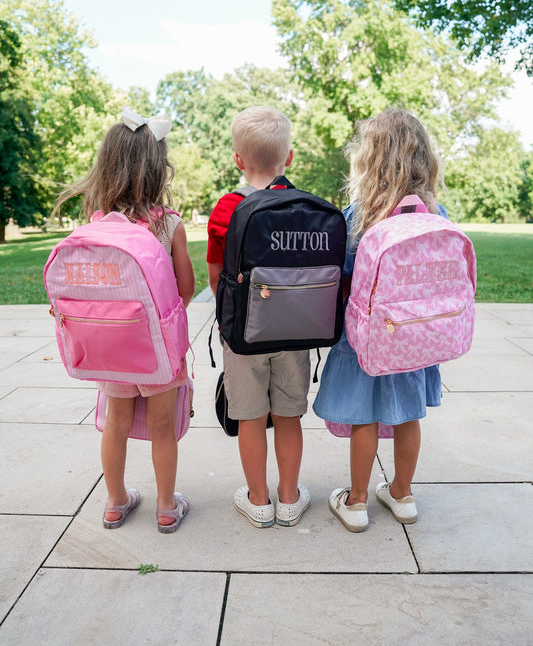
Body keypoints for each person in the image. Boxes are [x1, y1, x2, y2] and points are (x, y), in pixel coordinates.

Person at [52, 107, 195, 533]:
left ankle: (115, 502)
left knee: (114, 423)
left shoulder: (95, 227)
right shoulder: (169, 225)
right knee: (162, 427)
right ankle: (167, 506)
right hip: (157, 350)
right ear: (158, 170)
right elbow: (186, 288)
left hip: (110, 349)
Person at [313, 108, 446, 532]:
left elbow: (344, 277)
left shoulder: (359, 216)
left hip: (366, 339)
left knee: (364, 417)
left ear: (370, 159)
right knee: (409, 414)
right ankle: (402, 494)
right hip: (415, 338)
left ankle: (355, 503)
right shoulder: (436, 215)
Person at [207, 105, 311, 528]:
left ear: (237, 160)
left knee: (250, 416)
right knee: (288, 415)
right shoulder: (303, 209)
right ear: (288, 158)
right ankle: (290, 499)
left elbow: (215, 277)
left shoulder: (225, 210)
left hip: (244, 334)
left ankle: (258, 499)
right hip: (295, 331)